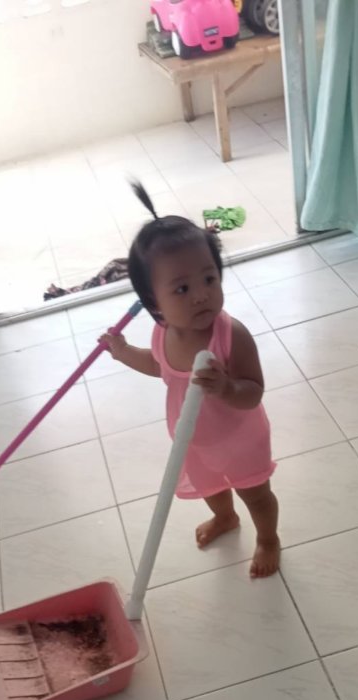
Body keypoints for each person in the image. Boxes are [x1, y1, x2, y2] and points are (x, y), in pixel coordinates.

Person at [99, 182, 280, 578]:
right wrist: (123, 352)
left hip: (241, 439)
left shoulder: (231, 335)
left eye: (209, 279)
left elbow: (253, 393)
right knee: (212, 488)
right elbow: (159, 367)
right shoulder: (163, 334)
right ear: (154, 304)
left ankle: (268, 538)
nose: (201, 295)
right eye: (182, 288)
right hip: (193, 439)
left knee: (256, 494)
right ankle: (225, 517)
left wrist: (227, 388)